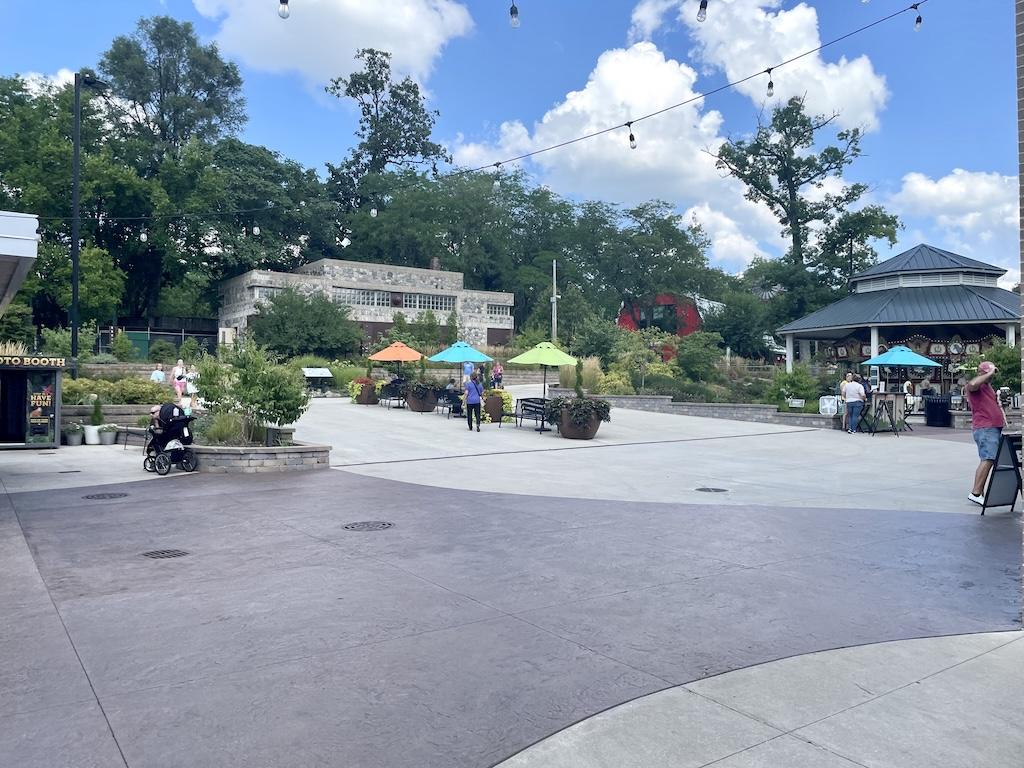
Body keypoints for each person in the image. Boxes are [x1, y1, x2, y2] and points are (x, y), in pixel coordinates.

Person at [965, 361, 1006, 505]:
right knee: (988, 458)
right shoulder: (976, 386)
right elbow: (972, 385)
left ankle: (979, 492)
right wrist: (988, 372)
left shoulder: (988, 387)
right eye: (989, 373)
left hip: (992, 427)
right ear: (981, 372)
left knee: (987, 459)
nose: (992, 376)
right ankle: (976, 492)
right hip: (985, 427)